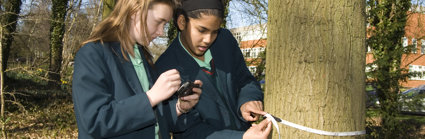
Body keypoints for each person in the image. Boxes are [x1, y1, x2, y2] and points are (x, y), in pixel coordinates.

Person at [72, 0, 203, 138]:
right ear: (135, 11)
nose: (161, 32)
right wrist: (151, 97)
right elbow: (95, 122)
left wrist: (179, 108)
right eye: (159, 22)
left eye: (165, 25)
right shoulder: (92, 54)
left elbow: (152, 120)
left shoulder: (143, 58)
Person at [155, 0, 271, 138]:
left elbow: (245, 80)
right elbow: (190, 131)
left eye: (214, 31)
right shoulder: (165, 68)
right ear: (181, 22)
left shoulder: (225, 40)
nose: (208, 40)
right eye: (202, 30)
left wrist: (247, 100)